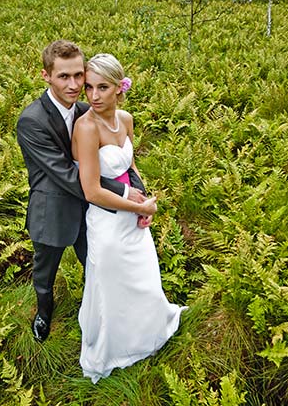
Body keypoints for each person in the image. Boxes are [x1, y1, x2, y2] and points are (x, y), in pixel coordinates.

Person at [15, 40, 152, 343]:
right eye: (64, 76)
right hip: (53, 209)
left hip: (92, 209)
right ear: (46, 76)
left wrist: (138, 190)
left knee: (98, 265)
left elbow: (119, 157)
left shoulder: (88, 110)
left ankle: (102, 313)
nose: (75, 84)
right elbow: (64, 173)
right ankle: (44, 312)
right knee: (45, 270)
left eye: (79, 75)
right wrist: (123, 192)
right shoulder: (31, 120)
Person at [72, 53, 186, 383]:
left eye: (102, 87)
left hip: (131, 212)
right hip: (107, 222)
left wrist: (144, 197)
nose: (93, 96)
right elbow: (91, 191)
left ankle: (148, 331)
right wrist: (137, 207)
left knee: (142, 276)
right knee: (111, 284)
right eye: (89, 88)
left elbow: (129, 165)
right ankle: (113, 347)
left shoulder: (126, 119)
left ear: (119, 89)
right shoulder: (87, 128)